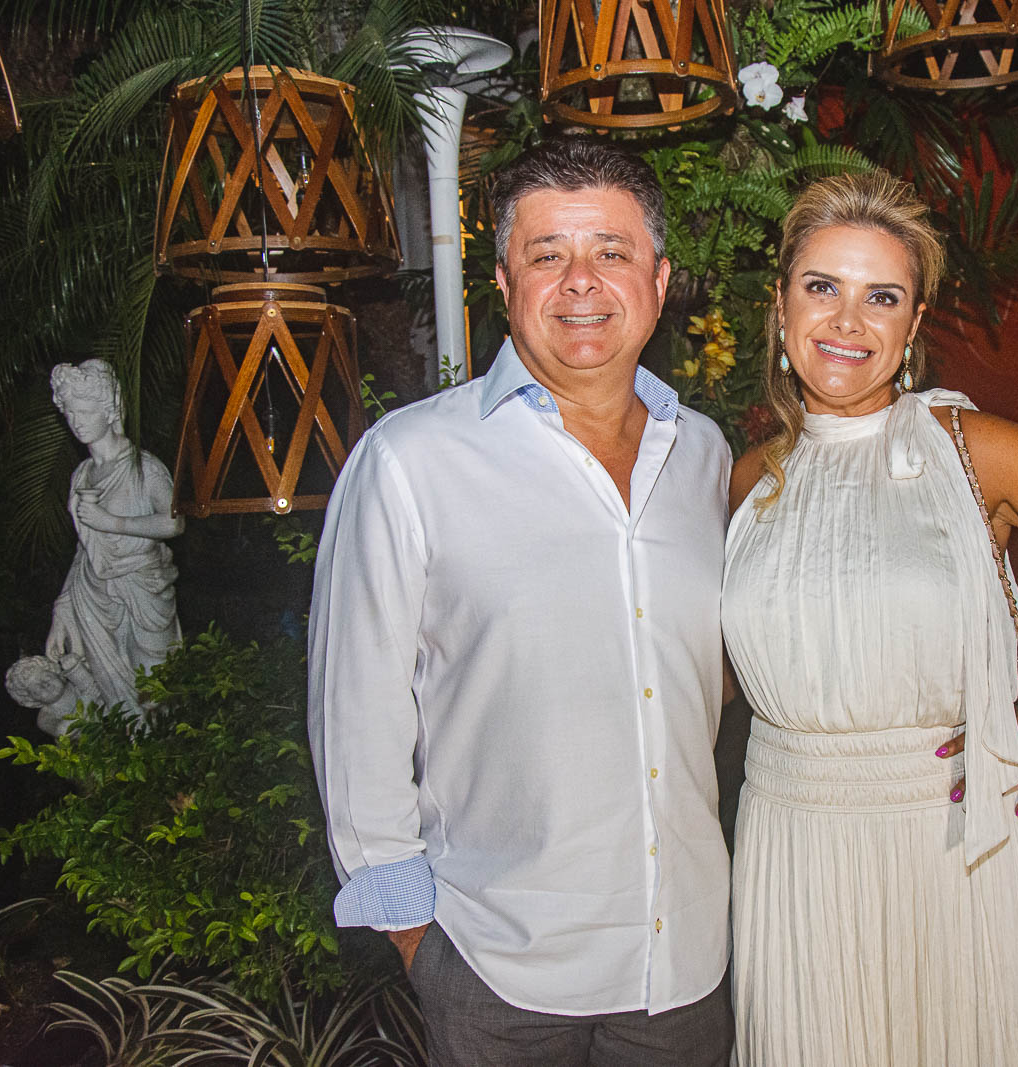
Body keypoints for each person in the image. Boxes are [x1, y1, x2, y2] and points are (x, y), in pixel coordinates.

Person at [722, 172, 1018, 1065]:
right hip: (794, 842)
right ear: (780, 308)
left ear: (912, 326)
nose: (848, 319)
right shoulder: (752, 477)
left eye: (882, 296)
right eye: (822, 286)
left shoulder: (970, 449)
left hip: (963, 842)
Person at [307, 137, 734, 1065]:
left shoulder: (705, 455)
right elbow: (356, 717)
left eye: (612, 252)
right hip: (499, 972)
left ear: (660, 281)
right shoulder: (410, 461)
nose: (581, 281)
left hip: (690, 967)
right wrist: (418, 943)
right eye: (548, 255)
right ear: (503, 284)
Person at [46, 359, 183, 718]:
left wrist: (111, 522)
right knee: (114, 701)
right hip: (93, 595)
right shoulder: (81, 475)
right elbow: (84, 549)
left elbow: (174, 522)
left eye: (85, 411)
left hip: (143, 590)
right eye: (70, 412)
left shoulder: (144, 467)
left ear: (108, 411)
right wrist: (63, 606)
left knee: (156, 692)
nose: (76, 421)